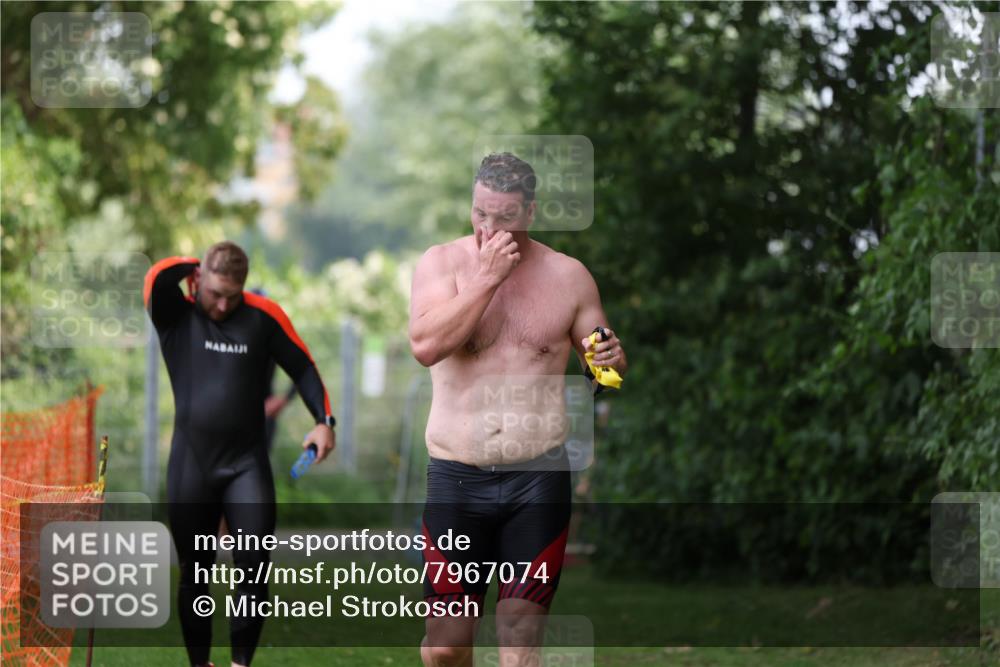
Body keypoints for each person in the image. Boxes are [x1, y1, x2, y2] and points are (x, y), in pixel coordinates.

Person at [408, 153, 627, 666]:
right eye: (481, 213)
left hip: (538, 479)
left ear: (530, 213)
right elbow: (425, 347)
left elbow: (604, 362)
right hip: (457, 479)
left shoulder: (568, 276)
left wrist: (611, 360)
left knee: (520, 641)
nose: (489, 228)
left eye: (504, 217)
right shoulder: (441, 263)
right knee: (445, 649)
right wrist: (486, 279)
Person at [144, 241, 336, 667]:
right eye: (215, 293)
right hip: (192, 465)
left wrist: (324, 420)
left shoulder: (262, 317)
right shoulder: (177, 315)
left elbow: (303, 366)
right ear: (197, 284)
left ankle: (239, 664)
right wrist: (196, 264)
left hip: (246, 465)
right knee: (195, 576)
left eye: (233, 295)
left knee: (252, 571)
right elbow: (157, 276)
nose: (223, 305)